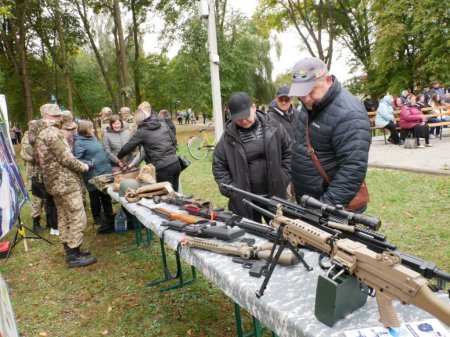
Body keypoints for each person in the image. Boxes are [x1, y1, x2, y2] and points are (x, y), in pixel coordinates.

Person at [287, 57, 371, 211]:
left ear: (328, 80)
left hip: (330, 206)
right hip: (310, 200)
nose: (304, 99)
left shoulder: (350, 113)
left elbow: (352, 169)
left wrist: (324, 208)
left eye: (311, 90)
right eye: (300, 92)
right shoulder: (309, 106)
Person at [212, 92, 292, 222]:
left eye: (245, 116)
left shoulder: (275, 127)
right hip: (245, 201)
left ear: (253, 107)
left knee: (281, 235)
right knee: (250, 239)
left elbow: (288, 151)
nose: (243, 121)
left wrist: (283, 177)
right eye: (238, 118)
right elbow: (218, 165)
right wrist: (233, 191)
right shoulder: (227, 138)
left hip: (275, 197)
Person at [34, 104, 96, 267]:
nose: (60, 118)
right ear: (49, 116)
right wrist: (84, 166)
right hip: (65, 182)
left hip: (53, 183)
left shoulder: (40, 134)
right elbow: (66, 158)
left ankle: (71, 250)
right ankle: (74, 255)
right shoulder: (53, 133)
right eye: (57, 116)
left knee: (64, 216)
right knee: (77, 216)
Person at [117, 109, 181, 191]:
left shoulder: (141, 132)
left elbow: (127, 148)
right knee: (175, 195)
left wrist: (120, 157)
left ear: (138, 120)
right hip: (175, 163)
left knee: (166, 197)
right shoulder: (162, 124)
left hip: (162, 168)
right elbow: (174, 140)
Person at [74, 120, 115, 233]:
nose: (93, 129)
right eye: (91, 128)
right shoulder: (79, 142)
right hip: (93, 175)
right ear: (85, 129)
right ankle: (98, 219)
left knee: (106, 195)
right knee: (95, 197)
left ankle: (109, 216)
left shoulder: (93, 138)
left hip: (104, 172)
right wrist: (90, 163)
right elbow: (77, 160)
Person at [20, 121, 45, 233]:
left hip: (44, 171)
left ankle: (50, 220)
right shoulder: (27, 137)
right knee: (38, 198)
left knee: (47, 196)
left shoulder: (41, 135)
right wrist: (35, 158)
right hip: (34, 173)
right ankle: (36, 222)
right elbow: (25, 153)